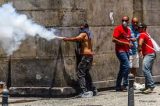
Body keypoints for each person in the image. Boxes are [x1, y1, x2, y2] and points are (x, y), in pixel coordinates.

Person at [62, 23, 97, 98]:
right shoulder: (89, 33)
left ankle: (84, 92)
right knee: (85, 73)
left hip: (86, 56)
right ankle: (92, 89)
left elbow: (77, 38)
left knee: (80, 73)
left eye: (81, 28)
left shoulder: (84, 34)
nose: (80, 30)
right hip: (89, 56)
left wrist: (67, 39)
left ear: (85, 28)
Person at [112, 16, 133, 91]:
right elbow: (114, 39)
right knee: (127, 66)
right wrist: (126, 43)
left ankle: (118, 86)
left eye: (126, 20)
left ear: (128, 21)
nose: (124, 21)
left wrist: (131, 40)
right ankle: (125, 84)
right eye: (123, 20)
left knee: (122, 69)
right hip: (120, 51)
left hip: (127, 51)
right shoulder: (118, 28)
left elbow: (127, 39)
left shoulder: (128, 30)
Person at [138, 23, 156, 94]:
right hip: (151, 54)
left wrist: (139, 51)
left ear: (144, 28)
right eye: (138, 27)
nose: (139, 28)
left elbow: (140, 43)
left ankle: (151, 86)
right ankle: (147, 86)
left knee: (145, 69)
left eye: (140, 27)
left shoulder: (142, 34)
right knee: (148, 70)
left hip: (149, 54)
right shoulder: (146, 34)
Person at [129, 17, 143, 89]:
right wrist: (130, 39)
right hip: (129, 52)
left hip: (135, 52)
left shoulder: (138, 30)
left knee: (134, 68)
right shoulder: (128, 29)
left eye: (136, 22)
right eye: (134, 22)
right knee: (129, 68)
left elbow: (137, 39)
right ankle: (128, 83)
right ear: (131, 22)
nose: (135, 23)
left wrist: (140, 50)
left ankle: (133, 82)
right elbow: (126, 37)